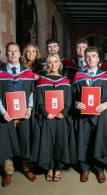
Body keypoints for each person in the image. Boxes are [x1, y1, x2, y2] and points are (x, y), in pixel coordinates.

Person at [0, 42, 36, 187]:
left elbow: (33, 92)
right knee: (6, 141)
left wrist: (30, 107)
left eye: (15, 51)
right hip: (6, 114)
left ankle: (27, 168)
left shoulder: (27, 74)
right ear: (5, 54)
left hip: (24, 114)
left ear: (20, 54)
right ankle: (8, 171)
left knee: (26, 140)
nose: (13, 54)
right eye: (10, 51)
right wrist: (2, 111)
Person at [72, 46, 107, 183]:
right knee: (85, 143)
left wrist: (106, 104)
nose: (90, 59)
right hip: (84, 118)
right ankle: (85, 169)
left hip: (101, 117)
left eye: (93, 56)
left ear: (98, 59)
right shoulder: (79, 76)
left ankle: (100, 169)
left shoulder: (106, 75)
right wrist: (76, 104)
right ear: (85, 58)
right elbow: (73, 96)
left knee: (100, 142)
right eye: (88, 56)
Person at [31, 53, 76, 182]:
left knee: (59, 142)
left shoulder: (66, 81)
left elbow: (68, 100)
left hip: (61, 117)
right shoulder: (42, 80)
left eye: (55, 62)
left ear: (59, 64)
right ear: (46, 65)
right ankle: (49, 167)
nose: (52, 65)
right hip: (48, 117)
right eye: (49, 62)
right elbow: (39, 100)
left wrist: (65, 111)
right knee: (48, 143)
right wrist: (45, 113)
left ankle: (57, 168)